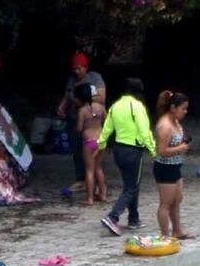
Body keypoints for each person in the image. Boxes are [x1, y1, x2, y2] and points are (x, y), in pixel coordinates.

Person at [99, 78, 157, 236]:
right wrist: (153, 149)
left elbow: (107, 128)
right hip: (133, 150)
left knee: (131, 184)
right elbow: (145, 131)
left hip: (118, 149)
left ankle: (133, 219)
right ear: (139, 92)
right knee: (131, 187)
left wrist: (101, 144)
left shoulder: (115, 106)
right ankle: (113, 217)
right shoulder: (137, 106)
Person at [57, 51, 106, 196]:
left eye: (79, 68)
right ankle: (84, 182)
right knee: (78, 153)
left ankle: (93, 187)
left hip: (90, 125)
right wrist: (62, 107)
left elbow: (102, 98)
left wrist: (84, 100)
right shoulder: (71, 80)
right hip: (77, 120)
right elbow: (67, 96)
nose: (77, 71)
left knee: (94, 162)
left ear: (86, 67)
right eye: (74, 69)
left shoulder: (95, 78)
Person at [153, 90, 193, 239]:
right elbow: (161, 151)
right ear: (173, 108)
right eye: (182, 108)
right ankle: (164, 234)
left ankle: (177, 230)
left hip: (176, 166)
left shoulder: (175, 122)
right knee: (166, 203)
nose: (185, 112)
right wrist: (180, 148)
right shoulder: (165, 126)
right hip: (165, 168)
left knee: (177, 200)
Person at [74, 83, 107, 205]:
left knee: (89, 170)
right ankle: (103, 195)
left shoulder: (82, 111)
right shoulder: (100, 107)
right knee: (99, 168)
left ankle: (90, 198)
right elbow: (106, 121)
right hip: (101, 140)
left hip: (88, 142)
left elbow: (79, 128)